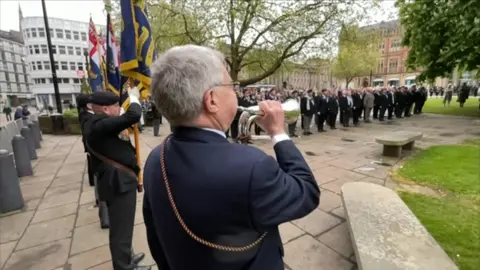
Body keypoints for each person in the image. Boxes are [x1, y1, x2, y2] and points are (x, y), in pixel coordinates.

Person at [143, 45, 320, 270]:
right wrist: (278, 133)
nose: (235, 92)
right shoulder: (253, 167)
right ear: (212, 101)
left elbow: (155, 238)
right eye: (231, 86)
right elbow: (307, 192)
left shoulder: (154, 158)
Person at [84, 91, 150, 270]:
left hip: (117, 180)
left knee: (123, 227)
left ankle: (126, 258)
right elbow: (134, 115)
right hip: (118, 182)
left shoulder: (96, 122)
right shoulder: (99, 125)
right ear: (105, 109)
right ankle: (123, 266)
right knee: (122, 230)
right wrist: (134, 98)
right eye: (115, 106)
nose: (119, 108)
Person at [76, 93, 110, 229]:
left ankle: (105, 213)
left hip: (94, 153)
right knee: (101, 184)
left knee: (99, 181)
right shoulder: (87, 117)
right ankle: (105, 218)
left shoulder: (85, 115)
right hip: (97, 154)